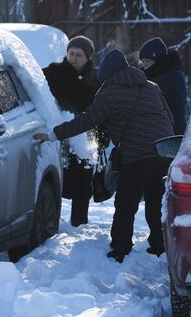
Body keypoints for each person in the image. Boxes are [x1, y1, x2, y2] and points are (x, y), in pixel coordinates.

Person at [34, 49, 174, 263]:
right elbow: (170, 117)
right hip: (165, 150)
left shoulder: (110, 94)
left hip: (138, 153)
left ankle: (120, 247)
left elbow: (84, 121)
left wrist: (53, 135)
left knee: (126, 202)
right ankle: (159, 244)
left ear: (107, 74)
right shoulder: (152, 87)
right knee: (156, 200)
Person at [42, 35, 105, 227]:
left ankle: (79, 222)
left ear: (87, 57)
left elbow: (103, 107)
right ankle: (52, 220)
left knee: (84, 178)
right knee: (59, 178)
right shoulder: (53, 73)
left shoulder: (96, 78)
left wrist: (102, 139)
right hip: (60, 131)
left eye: (79, 54)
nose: (74, 57)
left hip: (87, 134)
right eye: (71, 53)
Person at [139, 37, 188, 135]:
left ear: (158, 60)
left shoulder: (171, 79)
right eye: (143, 61)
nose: (144, 65)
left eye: (147, 61)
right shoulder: (156, 77)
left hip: (170, 137)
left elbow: (174, 113)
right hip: (162, 135)